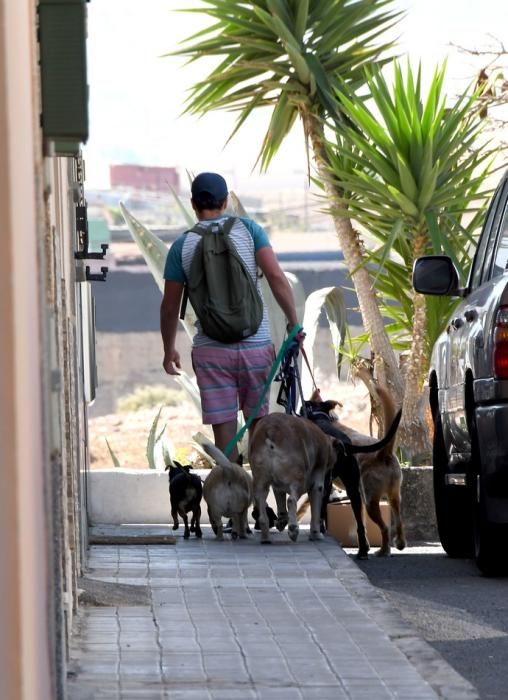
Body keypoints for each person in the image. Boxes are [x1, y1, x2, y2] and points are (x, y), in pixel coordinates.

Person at [160, 171, 301, 462]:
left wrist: (168, 349)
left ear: (193, 203)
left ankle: (233, 501)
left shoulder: (181, 247)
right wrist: (292, 321)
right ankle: (263, 505)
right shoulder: (250, 230)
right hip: (256, 346)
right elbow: (275, 277)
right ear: (225, 202)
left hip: (211, 353)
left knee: (224, 439)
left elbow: (170, 306)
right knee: (259, 429)